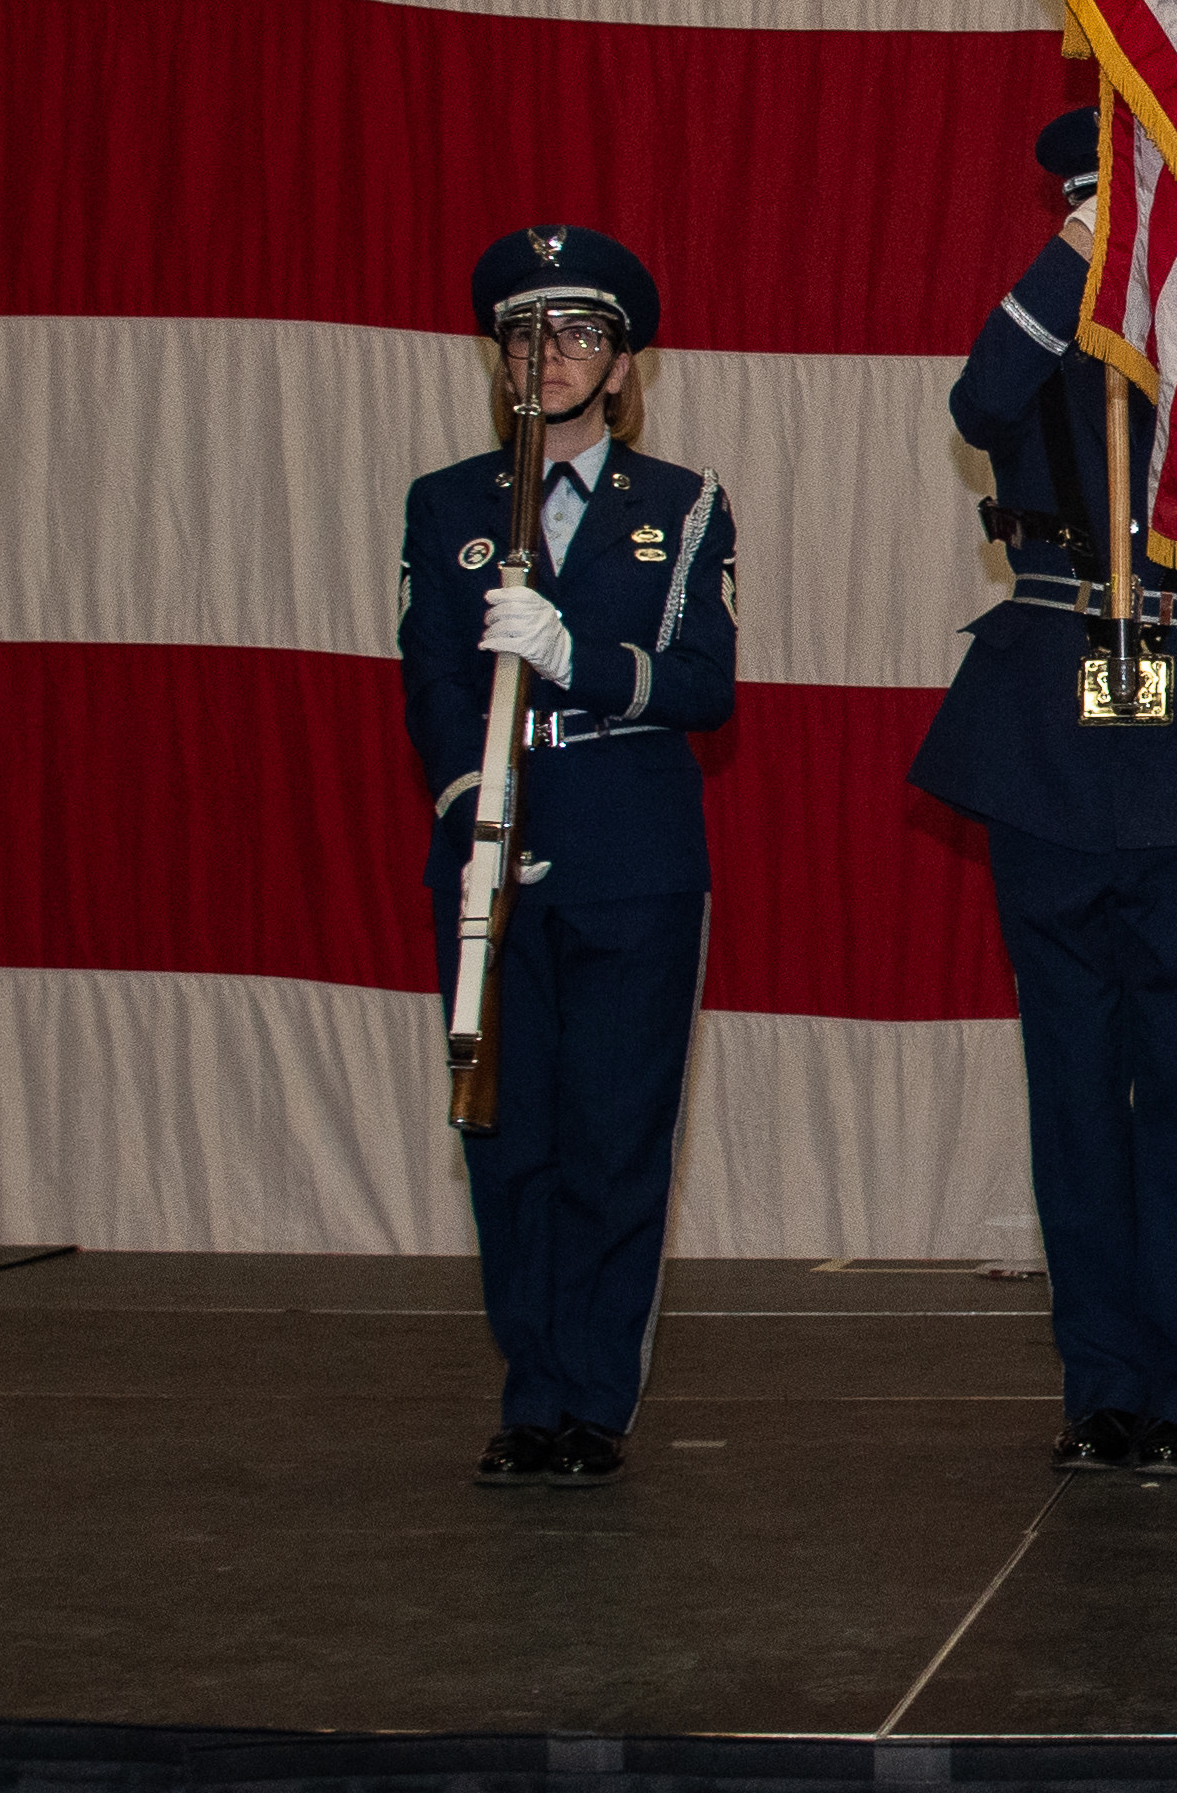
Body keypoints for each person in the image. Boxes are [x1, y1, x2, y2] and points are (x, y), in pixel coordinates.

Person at [911, 110, 1177, 1476]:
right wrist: (1075, 256)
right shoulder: (1044, 339)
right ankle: (1098, 1376)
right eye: (1115, 207)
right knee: (1072, 1087)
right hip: (1050, 735)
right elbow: (976, 402)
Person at [400, 225, 739, 1489]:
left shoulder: (682, 505)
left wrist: (575, 659)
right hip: (492, 840)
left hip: (630, 844)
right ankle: (528, 1384)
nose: (549, 357)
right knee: (509, 1134)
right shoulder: (449, 503)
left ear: (621, 360)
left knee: (611, 1133)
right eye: (526, 335)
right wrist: (470, 794)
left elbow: (706, 686)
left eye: (578, 334)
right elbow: (430, 674)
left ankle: (592, 1397)